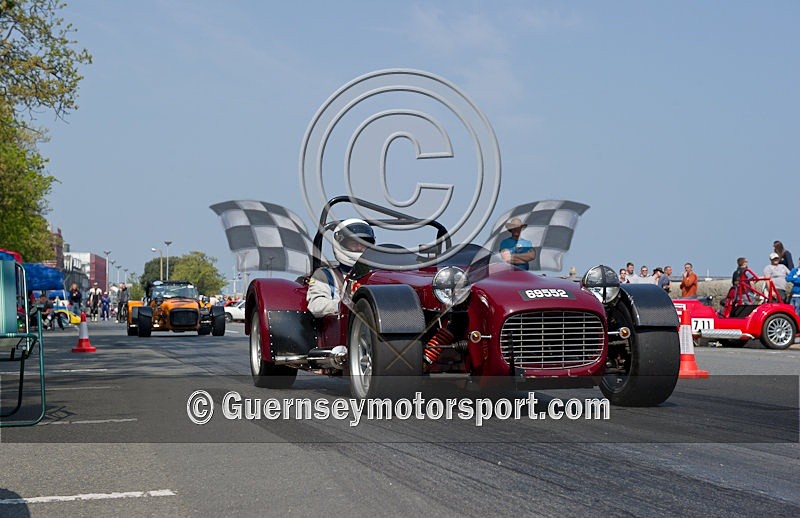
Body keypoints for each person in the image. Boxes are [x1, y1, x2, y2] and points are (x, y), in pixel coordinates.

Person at [306, 218, 375, 318]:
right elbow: (315, 305)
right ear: (340, 243)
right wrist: (342, 306)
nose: (360, 248)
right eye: (354, 244)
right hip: (339, 326)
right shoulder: (326, 275)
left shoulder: (375, 276)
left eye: (364, 244)